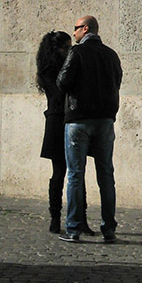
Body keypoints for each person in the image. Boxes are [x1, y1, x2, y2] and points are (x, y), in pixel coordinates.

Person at [57, 15, 123, 243]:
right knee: (106, 175)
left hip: (79, 119)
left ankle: (73, 229)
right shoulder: (111, 54)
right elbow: (117, 82)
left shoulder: (77, 52)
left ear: (85, 28)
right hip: (105, 120)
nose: (73, 33)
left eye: (75, 28)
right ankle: (109, 229)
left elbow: (62, 82)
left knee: (75, 174)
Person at [35, 30, 95, 235]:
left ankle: (81, 219)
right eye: (66, 48)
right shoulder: (48, 70)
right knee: (59, 173)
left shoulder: (70, 65)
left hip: (73, 119)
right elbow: (59, 92)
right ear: (56, 50)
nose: (69, 51)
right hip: (56, 122)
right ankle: (55, 218)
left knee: (77, 172)